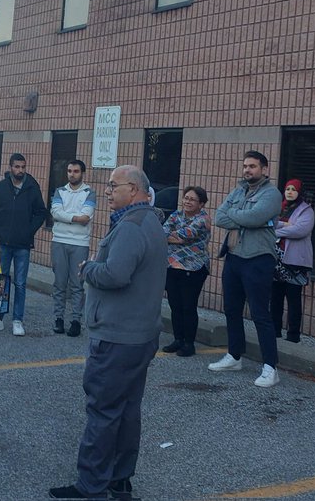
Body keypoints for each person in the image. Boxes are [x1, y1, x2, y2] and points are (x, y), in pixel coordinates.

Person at [48, 166, 166, 501]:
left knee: (103, 410)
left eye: (114, 186)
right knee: (127, 410)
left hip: (118, 336)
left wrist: (88, 269)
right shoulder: (150, 221)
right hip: (139, 334)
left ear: (134, 189)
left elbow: (115, 274)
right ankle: (118, 479)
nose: (108, 191)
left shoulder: (132, 227)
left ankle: (92, 486)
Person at [209, 150, 284, 388]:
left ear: (264, 169)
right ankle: (234, 356)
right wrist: (244, 217)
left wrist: (241, 216)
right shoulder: (239, 189)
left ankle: (270, 368)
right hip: (234, 257)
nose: (247, 170)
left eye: (252, 166)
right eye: (245, 166)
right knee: (231, 310)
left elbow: (254, 218)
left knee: (260, 314)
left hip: (258, 259)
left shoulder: (272, 194)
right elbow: (219, 217)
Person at [0, 153, 47, 336]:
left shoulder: (31, 187)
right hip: (2, 243)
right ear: (10, 167)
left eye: (23, 167)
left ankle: (17, 320)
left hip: (23, 245)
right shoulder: (0, 187)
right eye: (17, 166)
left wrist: (29, 231)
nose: (20, 170)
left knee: (20, 283)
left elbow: (41, 212)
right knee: (0, 281)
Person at [162, 186, 211, 357]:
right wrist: (172, 236)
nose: (188, 202)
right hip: (172, 267)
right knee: (175, 305)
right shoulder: (176, 215)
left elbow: (183, 236)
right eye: (186, 198)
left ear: (201, 204)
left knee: (188, 306)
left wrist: (172, 236)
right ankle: (178, 339)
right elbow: (162, 232)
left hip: (194, 268)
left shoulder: (203, 219)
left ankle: (189, 343)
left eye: (192, 200)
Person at [49, 159, 96, 337]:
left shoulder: (89, 193)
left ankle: (75, 321)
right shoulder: (60, 191)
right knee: (59, 283)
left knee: (77, 285)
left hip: (80, 243)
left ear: (82, 173)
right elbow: (55, 213)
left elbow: (87, 216)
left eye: (76, 171)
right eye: (69, 171)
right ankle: (58, 319)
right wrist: (76, 218)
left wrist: (65, 216)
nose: (72, 174)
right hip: (59, 240)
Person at [272, 179, 315, 343]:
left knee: (293, 298)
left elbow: (300, 230)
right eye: (287, 188)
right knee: (275, 297)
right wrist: (285, 224)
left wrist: (279, 230)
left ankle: (293, 335)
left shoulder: (306, 210)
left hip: (296, 261)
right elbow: (270, 223)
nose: (290, 192)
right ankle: (274, 331)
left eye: (293, 189)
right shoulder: (279, 207)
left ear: (300, 192)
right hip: (277, 259)